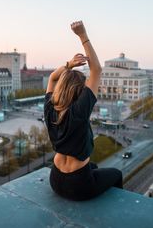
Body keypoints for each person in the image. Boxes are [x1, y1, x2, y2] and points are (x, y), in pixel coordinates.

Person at [44, 21, 123, 201]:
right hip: (79, 186)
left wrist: (69, 64)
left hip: (55, 179)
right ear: (79, 91)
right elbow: (97, 69)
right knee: (116, 174)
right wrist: (82, 35)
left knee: (94, 166)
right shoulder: (79, 112)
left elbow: (52, 77)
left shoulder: (49, 107)